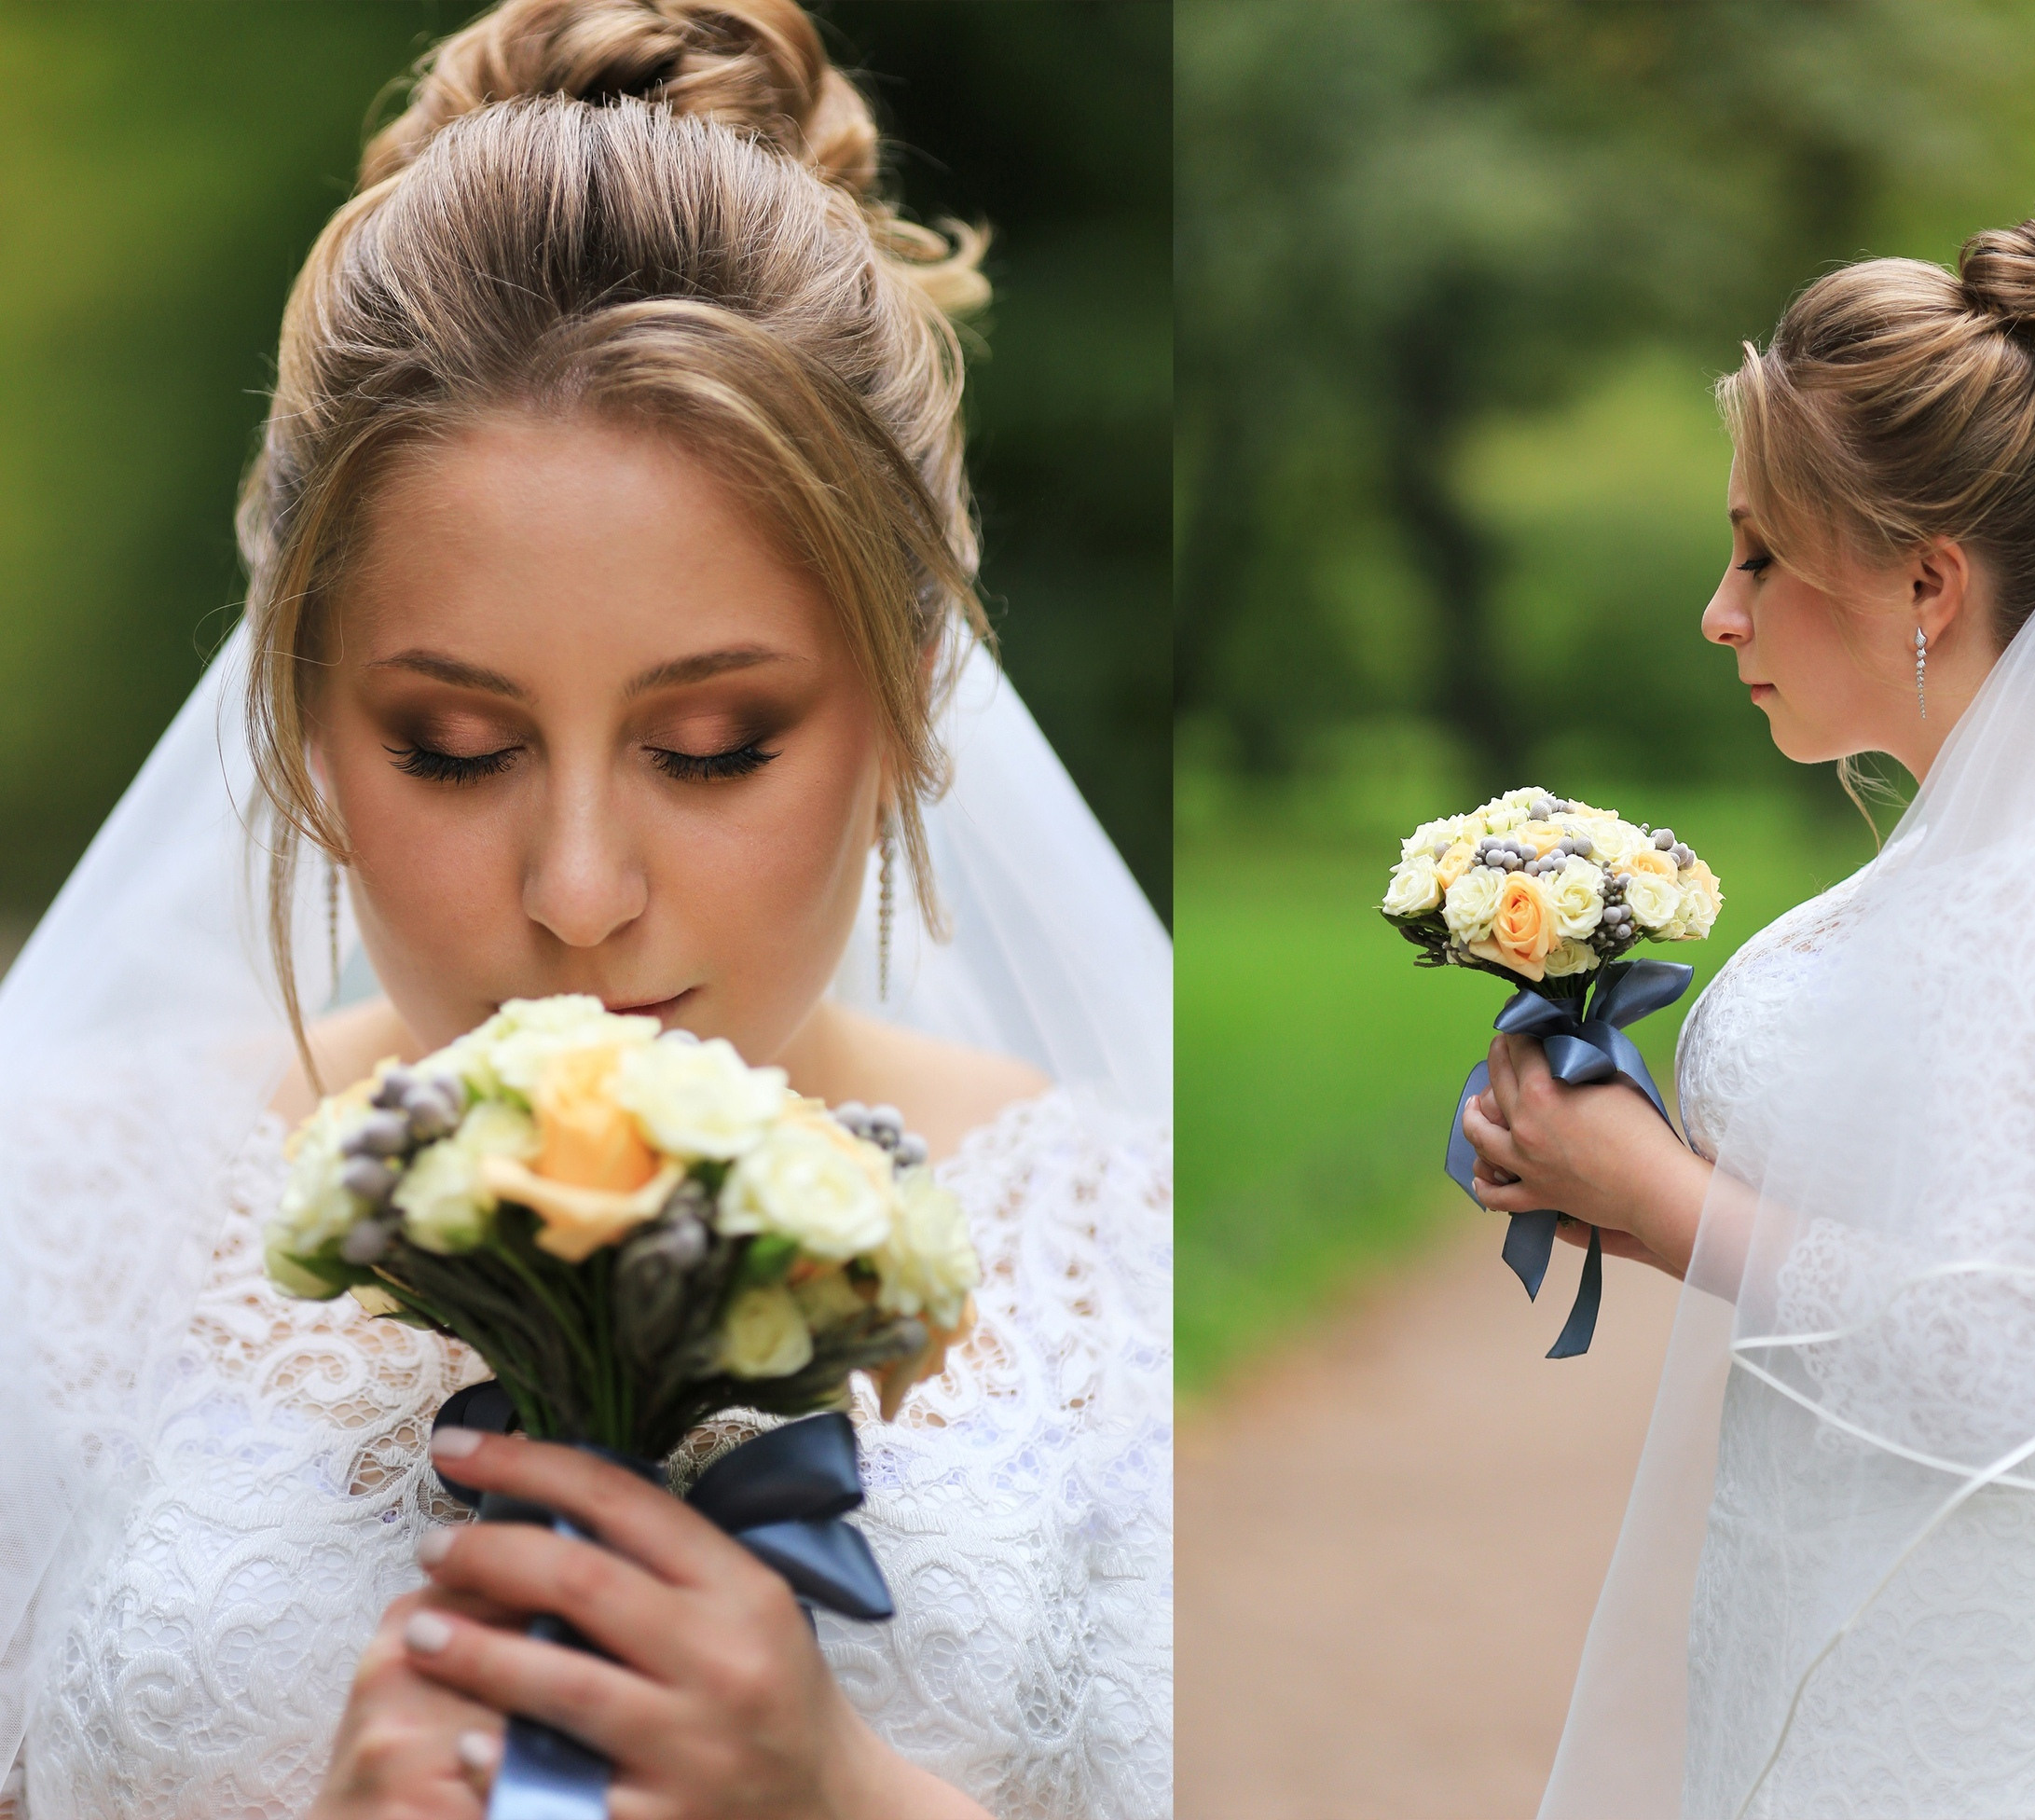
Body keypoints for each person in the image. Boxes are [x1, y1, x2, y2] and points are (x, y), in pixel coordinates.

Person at [0, 3, 1171, 1815]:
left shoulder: (1116, 1242)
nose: (576, 896)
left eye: (711, 746)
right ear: (301, 714)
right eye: (455, 747)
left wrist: (844, 1800)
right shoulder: (52, 1211)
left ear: (910, 695)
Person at [1466, 220, 2035, 1816]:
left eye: (1759, 554)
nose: (1718, 611)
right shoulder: (1974, 854)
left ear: (1927, 581)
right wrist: (1593, 1170)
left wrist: (1673, 1207)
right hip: (1824, 1675)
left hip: (1996, 1737)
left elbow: (2020, 1362)